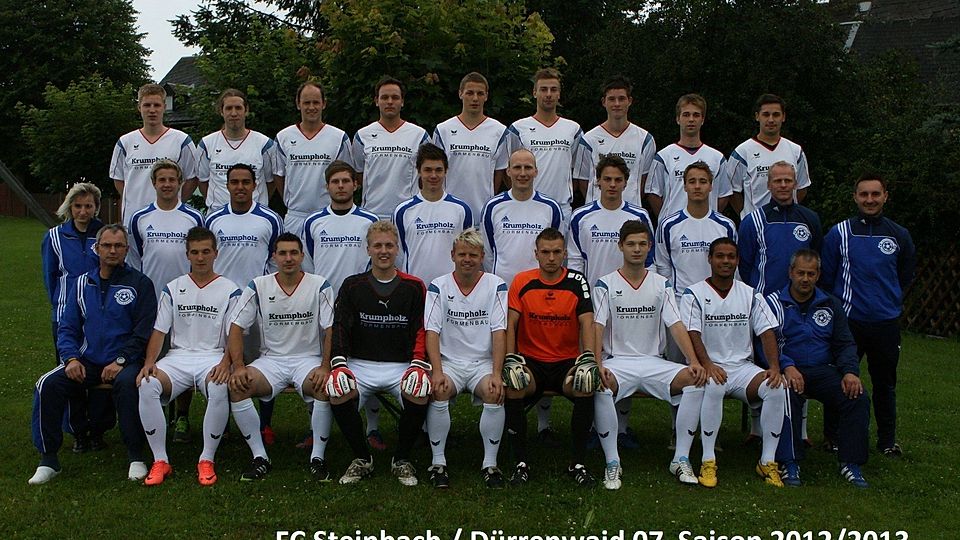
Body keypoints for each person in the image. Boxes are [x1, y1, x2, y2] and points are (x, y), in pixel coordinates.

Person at [30, 224, 157, 485]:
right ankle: (49, 459)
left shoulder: (141, 284)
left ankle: (135, 455)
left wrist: (121, 360)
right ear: (96, 249)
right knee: (47, 385)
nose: (112, 251)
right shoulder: (80, 284)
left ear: (126, 250)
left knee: (129, 385)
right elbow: (67, 328)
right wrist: (71, 358)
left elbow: (143, 332)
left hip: (125, 361)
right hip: (87, 361)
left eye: (118, 246)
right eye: (107, 246)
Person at [592, 220, 707, 490]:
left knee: (695, 380)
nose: (636, 249)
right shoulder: (605, 284)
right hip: (618, 363)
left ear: (649, 247)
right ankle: (612, 462)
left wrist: (693, 361)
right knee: (601, 385)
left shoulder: (661, 283)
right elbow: (596, 326)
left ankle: (680, 458)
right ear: (620, 246)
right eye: (631, 244)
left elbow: (676, 324)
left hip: (655, 363)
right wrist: (596, 364)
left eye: (642, 244)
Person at [325, 221, 431, 486]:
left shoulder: (414, 286)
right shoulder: (353, 285)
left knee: (419, 389)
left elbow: (422, 328)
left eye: (389, 245)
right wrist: (339, 363)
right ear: (368, 249)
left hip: (401, 364)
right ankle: (362, 458)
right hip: (360, 363)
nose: (384, 251)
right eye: (378, 246)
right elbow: (340, 326)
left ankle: (402, 459)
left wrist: (418, 363)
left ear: (398, 249)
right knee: (337, 389)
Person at [225, 233, 337, 481]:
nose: (288, 258)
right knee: (238, 387)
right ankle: (259, 457)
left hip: (307, 359)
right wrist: (239, 366)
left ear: (302, 256)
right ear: (273, 256)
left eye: (294, 253)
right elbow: (235, 327)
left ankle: (317, 458)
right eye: (283, 253)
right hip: (271, 361)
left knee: (323, 386)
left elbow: (331, 328)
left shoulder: (320, 284)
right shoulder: (258, 285)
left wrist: (325, 366)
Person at [136, 227, 240, 486]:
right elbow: (159, 331)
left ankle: (207, 459)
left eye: (206, 251)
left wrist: (226, 363)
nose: (201, 257)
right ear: (187, 255)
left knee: (218, 387)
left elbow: (234, 334)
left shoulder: (230, 289)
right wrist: (149, 363)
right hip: (177, 357)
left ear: (216, 253)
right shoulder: (173, 288)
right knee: (147, 384)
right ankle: (160, 460)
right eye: (195, 252)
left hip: (212, 356)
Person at [820, 173, 915, 456]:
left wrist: (887, 302)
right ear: (855, 197)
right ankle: (833, 437)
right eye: (864, 194)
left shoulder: (899, 234)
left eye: (876, 194)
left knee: (885, 383)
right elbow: (827, 276)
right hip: (849, 323)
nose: (870, 200)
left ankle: (886, 441)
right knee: (840, 379)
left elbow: (905, 275)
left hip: (885, 323)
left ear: (885, 196)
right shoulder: (839, 233)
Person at [680, 238, 786, 488]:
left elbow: (767, 331)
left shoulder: (750, 294)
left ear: (737, 261)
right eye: (720, 256)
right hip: (711, 367)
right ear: (710, 259)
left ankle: (767, 461)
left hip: (743, 369)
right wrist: (707, 364)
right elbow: (692, 333)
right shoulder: (693, 293)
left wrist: (774, 367)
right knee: (715, 385)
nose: (725, 261)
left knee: (775, 387)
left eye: (730, 257)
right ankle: (708, 460)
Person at [765, 249, 871, 488]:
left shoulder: (830, 303)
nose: (805, 278)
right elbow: (763, 343)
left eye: (810, 274)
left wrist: (850, 371)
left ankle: (850, 463)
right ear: (790, 273)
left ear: (818, 275)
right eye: (800, 273)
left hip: (823, 370)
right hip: (788, 370)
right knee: (784, 396)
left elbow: (844, 343)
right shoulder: (772, 303)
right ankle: (789, 461)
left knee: (857, 396)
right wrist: (786, 365)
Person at [503, 227, 598, 487]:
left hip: (565, 363)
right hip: (531, 362)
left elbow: (587, 323)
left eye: (557, 252)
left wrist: (588, 360)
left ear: (565, 253)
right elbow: (511, 324)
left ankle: (577, 463)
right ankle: (521, 462)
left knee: (585, 385)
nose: (551, 258)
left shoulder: (577, 281)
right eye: (545, 252)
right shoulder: (522, 281)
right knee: (514, 384)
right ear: (536, 254)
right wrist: (511, 359)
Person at [423, 229, 509, 488]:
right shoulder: (438, 285)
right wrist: (436, 371)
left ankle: (490, 465)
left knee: (494, 393)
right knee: (439, 390)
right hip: (449, 363)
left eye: (473, 254)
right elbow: (432, 331)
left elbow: (499, 331)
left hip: (482, 364)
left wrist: (496, 373)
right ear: (453, 255)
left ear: (482, 256)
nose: (467, 259)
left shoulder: (496, 284)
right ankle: (439, 463)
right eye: (462, 254)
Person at [205, 163, 283, 442]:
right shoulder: (213, 220)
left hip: (259, 304)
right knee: (222, 360)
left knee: (262, 360)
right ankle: (222, 423)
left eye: (245, 182)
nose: (240, 187)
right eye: (234, 182)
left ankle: (265, 424)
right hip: (222, 303)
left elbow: (275, 260)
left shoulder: (270, 219)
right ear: (226, 186)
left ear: (255, 185)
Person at [41, 182, 109, 452]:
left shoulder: (102, 235)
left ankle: (99, 428)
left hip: (97, 316)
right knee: (72, 373)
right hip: (66, 316)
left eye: (88, 206)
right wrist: (61, 305)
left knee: (99, 373)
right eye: (78, 206)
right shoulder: (55, 236)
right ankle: (78, 430)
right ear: (70, 207)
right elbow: (51, 277)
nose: (83, 211)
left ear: (96, 208)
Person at [505, 68, 591, 223]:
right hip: (526, 206)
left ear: (559, 94)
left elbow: (577, 171)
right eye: (543, 89)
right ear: (534, 92)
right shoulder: (518, 129)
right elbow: (508, 170)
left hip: (562, 207)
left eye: (553, 90)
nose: (549, 94)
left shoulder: (573, 129)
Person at [110, 83, 197, 227]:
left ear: (164, 106)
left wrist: (177, 199)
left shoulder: (182, 141)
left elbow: (192, 179)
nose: (152, 110)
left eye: (156, 105)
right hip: (133, 220)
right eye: (147, 105)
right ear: (139, 107)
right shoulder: (125, 142)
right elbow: (119, 180)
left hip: (171, 218)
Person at [274, 81, 353, 238]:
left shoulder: (339, 138)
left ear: (324, 104)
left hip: (329, 214)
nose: (311, 107)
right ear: (298, 104)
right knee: (293, 262)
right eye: (306, 102)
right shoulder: (283, 137)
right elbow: (279, 176)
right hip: (295, 217)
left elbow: (346, 177)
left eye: (316, 102)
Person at [655, 162, 737, 304]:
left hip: (717, 302)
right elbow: (663, 266)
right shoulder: (668, 225)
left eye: (703, 181)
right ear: (685, 186)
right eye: (692, 182)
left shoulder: (726, 226)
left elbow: (733, 266)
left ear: (711, 186)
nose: (697, 186)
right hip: (681, 302)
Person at [569, 154, 655, 288]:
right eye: (607, 179)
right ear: (598, 181)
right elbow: (575, 261)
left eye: (618, 180)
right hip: (593, 295)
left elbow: (649, 260)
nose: (612, 185)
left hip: (630, 297)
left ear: (625, 182)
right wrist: (580, 296)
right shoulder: (580, 217)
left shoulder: (639, 216)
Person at [480, 149, 563, 287]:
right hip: (502, 287)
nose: (523, 173)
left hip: (538, 288)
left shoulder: (551, 208)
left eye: (528, 168)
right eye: (517, 167)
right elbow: (487, 252)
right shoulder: (493, 207)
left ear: (536, 171)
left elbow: (557, 249)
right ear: (508, 171)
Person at [738, 161, 822, 296]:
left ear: (795, 184)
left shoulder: (810, 218)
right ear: (769, 185)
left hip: (801, 300)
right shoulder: (753, 221)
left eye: (788, 181)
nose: (783, 185)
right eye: (777, 181)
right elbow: (745, 265)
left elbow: (817, 257)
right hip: (764, 300)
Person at [393, 143, 473, 286]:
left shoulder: (461, 209)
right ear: (419, 171)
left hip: (451, 288)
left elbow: (469, 251)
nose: (433, 175)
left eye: (438, 170)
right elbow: (398, 254)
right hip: (414, 288)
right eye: (428, 170)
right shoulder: (403, 211)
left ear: (446, 171)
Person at [433, 72, 510, 219]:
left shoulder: (499, 131)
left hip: (483, 213)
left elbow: (500, 171)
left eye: (480, 93)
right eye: (470, 93)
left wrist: (489, 201)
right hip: (449, 213)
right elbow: (434, 171)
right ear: (460, 94)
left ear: (486, 96)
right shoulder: (443, 130)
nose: (475, 98)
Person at [352, 76, 430, 220]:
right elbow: (359, 174)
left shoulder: (420, 136)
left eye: (395, 97)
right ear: (376, 101)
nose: (389, 102)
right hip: (372, 214)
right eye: (384, 97)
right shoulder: (362, 136)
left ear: (402, 102)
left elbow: (426, 175)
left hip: (409, 214)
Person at [128, 159, 205, 300]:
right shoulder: (139, 218)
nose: (167, 184)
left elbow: (202, 257)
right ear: (154, 183)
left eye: (172, 180)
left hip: (186, 296)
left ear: (180, 182)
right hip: (150, 296)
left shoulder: (195, 218)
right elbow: (135, 259)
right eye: (162, 180)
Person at [647, 94, 730, 221]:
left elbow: (724, 195)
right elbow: (653, 194)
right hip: (673, 230)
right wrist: (668, 219)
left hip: (708, 228)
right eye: (686, 115)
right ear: (678, 119)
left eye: (696, 115)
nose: (691, 119)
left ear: (702, 119)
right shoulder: (663, 157)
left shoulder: (717, 158)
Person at [727, 94, 811, 219]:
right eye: (766, 114)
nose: (771, 120)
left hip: (788, 221)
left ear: (783, 117)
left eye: (776, 115)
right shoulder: (742, 152)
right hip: (756, 224)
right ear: (757, 116)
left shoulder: (795, 151)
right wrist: (747, 215)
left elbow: (802, 188)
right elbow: (732, 191)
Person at [303, 161, 379, 294]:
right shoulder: (313, 222)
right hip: (324, 295)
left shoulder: (370, 221)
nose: (340, 186)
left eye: (345, 181)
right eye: (335, 182)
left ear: (355, 185)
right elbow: (307, 262)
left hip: (361, 294)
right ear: (327, 186)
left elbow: (376, 260)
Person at [582, 76, 656, 206]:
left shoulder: (645, 139)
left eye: (621, 99)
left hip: (631, 214)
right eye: (611, 99)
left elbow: (644, 182)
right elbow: (582, 181)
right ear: (604, 102)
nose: (617, 104)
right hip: (597, 214)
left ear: (630, 101)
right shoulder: (589, 139)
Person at [198, 88, 276, 212]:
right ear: (221, 111)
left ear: (246, 110)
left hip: (256, 215)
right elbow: (203, 182)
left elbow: (270, 182)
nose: (234, 113)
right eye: (229, 108)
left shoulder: (264, 144)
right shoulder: (206, 144)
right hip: (218, 215)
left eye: (238, 108)